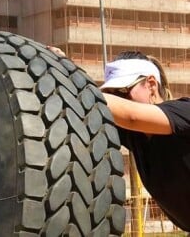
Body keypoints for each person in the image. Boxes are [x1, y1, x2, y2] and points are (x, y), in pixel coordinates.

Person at [48, 46, 190, 232]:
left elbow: (131, 115)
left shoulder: (184, 112)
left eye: (122, 92)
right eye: (111, 94)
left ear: (151, 85)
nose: (116, 101)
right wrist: (64, 67)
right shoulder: (137, 136)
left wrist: (76, 83)